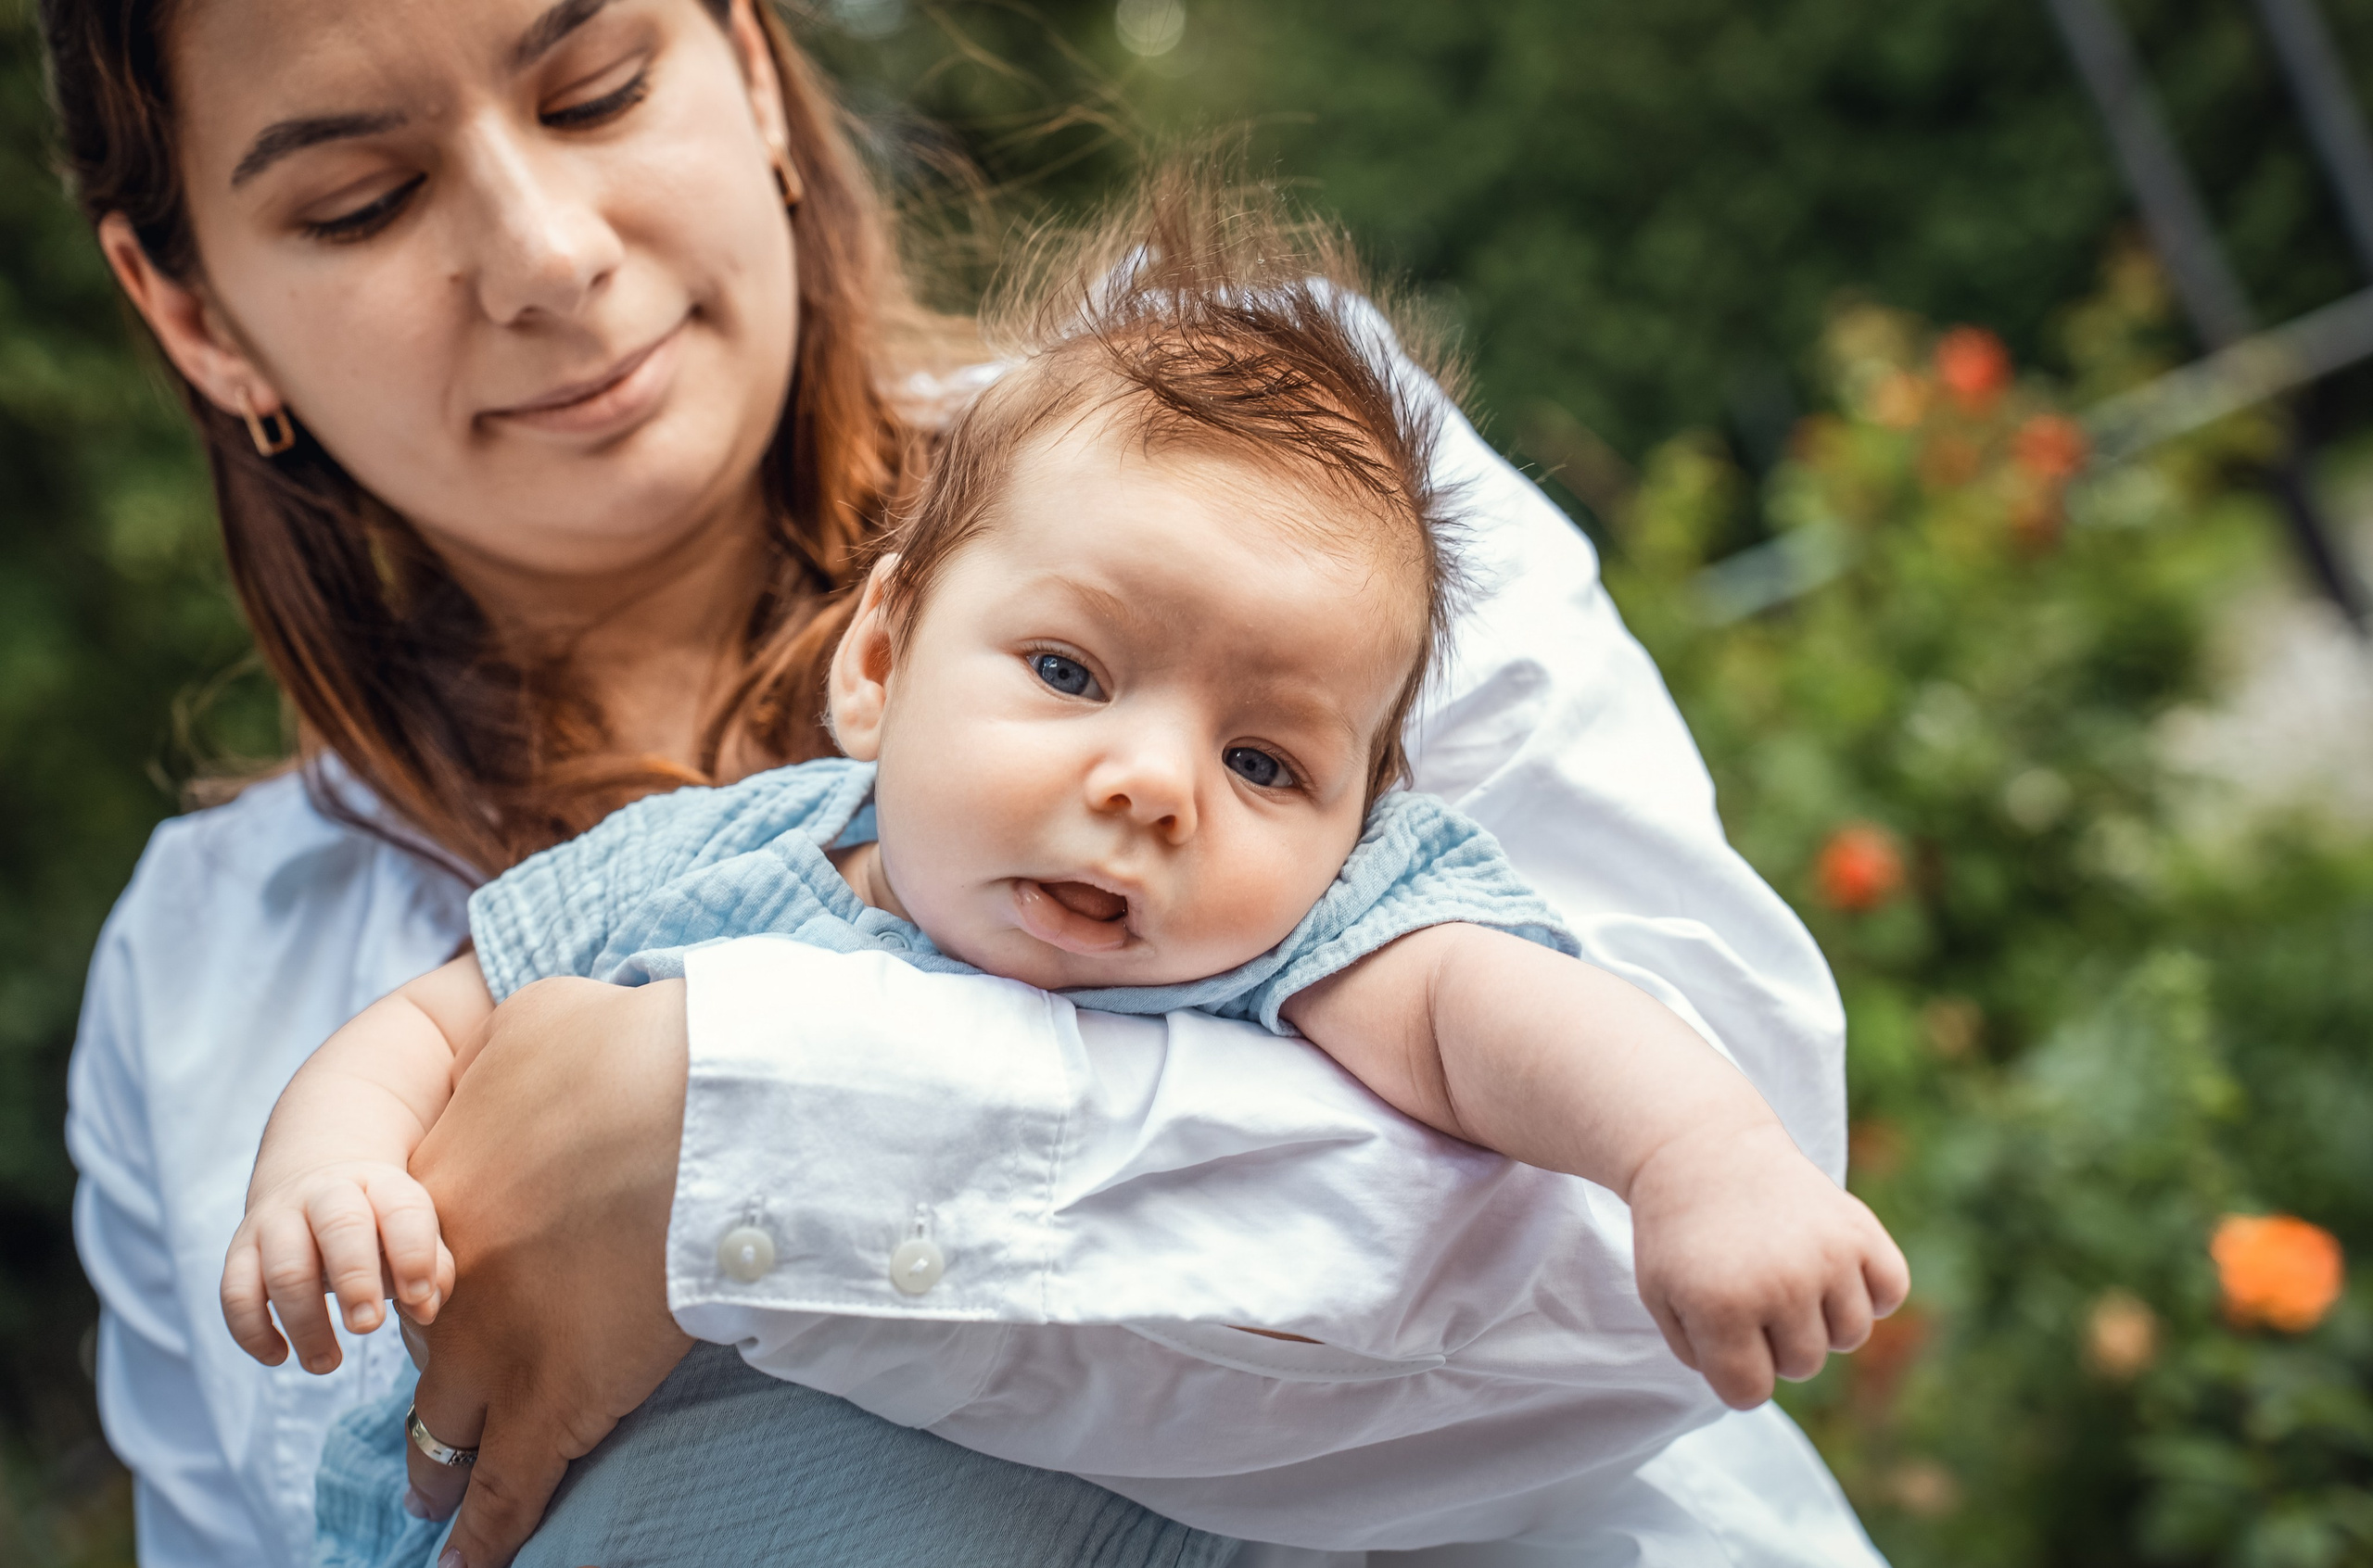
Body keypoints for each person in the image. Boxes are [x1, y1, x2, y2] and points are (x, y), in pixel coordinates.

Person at [46, 0, 1887, 1565]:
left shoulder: (1274, 499)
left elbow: (1655, 1251)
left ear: (753, 71)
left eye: (596, 86)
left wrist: (716, 1136)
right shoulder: (192, 979)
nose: (546, 256)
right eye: (362, 200)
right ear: (196, 314)